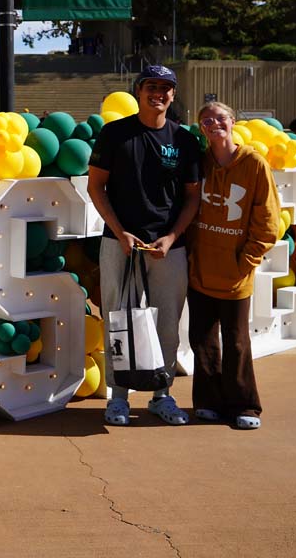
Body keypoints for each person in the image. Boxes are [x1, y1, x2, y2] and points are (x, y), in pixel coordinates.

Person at [88, 65, 202, 426]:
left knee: (167, 324)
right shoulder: (114, 134)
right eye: (152, 86)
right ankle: (118, 397)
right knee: (118, 320)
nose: (159, 93)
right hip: (120, 245)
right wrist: (120, 233)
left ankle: (161, 394)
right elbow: (96, 188)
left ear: (172, 94)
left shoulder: (184, 141)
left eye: (166, 87)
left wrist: (171, 238)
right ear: (138, 91)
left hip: (167, 249)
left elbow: (192, 199)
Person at [187, 101, 281, 430]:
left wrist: (246, 260)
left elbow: (268, 221)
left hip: (235, 273)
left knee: (237, 340)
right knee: (202, 338)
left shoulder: (254, 163)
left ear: (233, 122)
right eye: (206, 120)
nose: (214, 124)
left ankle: (244, 404)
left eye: (220, 118)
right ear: (201, 129)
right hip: (200, 270)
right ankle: (208, 401)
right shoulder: (199, 163)